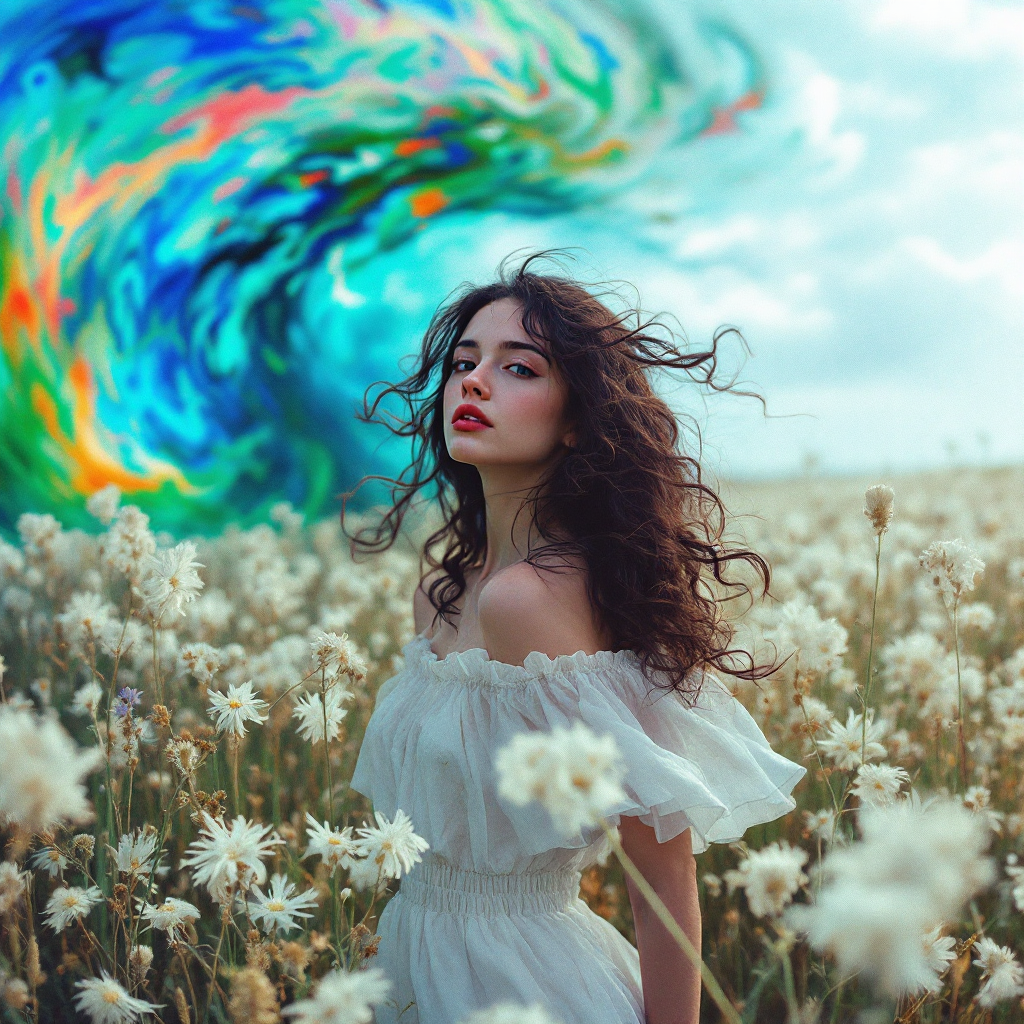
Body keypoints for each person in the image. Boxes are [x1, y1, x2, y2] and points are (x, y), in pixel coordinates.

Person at [346, 251, 806, 1024]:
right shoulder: (440, 594)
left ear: (575, 422)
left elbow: (661, 877)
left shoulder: (523, 601)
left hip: (520, 983)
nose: (475, 382)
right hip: (412, 958)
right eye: (464, 362)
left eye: (519, 368)